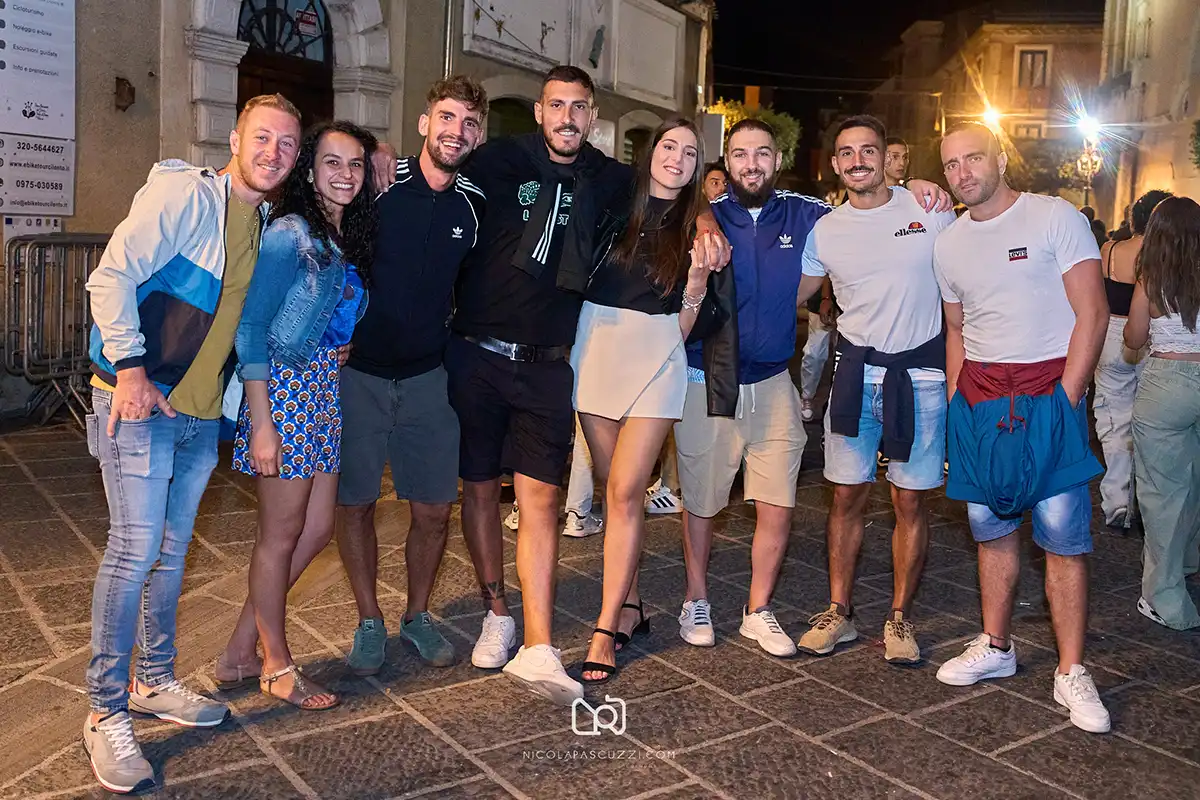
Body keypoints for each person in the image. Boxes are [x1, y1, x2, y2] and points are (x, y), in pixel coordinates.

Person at [443, 65, 726, 704]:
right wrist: (388, 163)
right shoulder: (518, 163)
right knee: (518, 489)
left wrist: (706, 218)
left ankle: (586, 633)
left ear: (593, 117)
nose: (568, 117)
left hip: (605, 359)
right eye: (557, 105)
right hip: (550, 351)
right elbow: (443, 169)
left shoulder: (621, 182)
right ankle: (554, 609)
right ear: (540, 111)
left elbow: (684, 188)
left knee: (611, 492)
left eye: (579, 107)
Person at [83, 94, 303, 794]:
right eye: (261, 137)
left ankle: (153, 680)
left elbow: (241, 325)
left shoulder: (261, 224)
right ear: (234, 139)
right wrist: (129, 368)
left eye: (286, 144)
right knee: (135, 550)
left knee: (172, 555)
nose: (272, 152)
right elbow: (110, 274)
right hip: (140, 398)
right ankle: (104, 710)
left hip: (200, 415)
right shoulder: (186, 196)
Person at [674, 118, 951, 655]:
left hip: (786, 377)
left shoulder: (813, 216)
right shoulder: (712, 217)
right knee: (704, 498)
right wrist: (703, 213)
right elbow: (682, 206)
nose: (752, 164)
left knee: (782, 499)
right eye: (739, 154)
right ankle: (697, 599)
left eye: (762, 153)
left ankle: (762, 609)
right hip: (710, 374)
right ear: (726, 163)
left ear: (779, 160)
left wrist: (918, 185)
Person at [933, 122, 1111, 735]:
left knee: (1062, 535)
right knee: (991, 529)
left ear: (1001, 158)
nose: (962, 173)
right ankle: (997, 645)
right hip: (980, 399)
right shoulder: (949, 243)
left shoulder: (1054, 216)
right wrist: (958, 407)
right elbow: (957, 330)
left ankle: (1071, 669)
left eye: (973, 158)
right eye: (951, 164)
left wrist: (1066, 399)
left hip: (1048, 391)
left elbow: (1094, 312)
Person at [324, 77, 488, 677]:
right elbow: (324, 189)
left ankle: (416, 614)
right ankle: (369, 619)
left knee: (434, 511)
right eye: (446, 117)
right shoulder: (378, 183)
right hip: (357, 374)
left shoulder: (475, 205)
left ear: (478, 136)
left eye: (469, 123)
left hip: (429, 377)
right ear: (425, 123)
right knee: (355, 504)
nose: (456, 131)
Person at [223, 119, 377, 710]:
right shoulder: (290, 233)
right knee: (280, 536)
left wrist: (341, 343)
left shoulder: (342, 237)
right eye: (332, 162)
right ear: (309, 170)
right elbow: (252, 328)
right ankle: (275, 665)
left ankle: (239, 650)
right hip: (283, 394)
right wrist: (262, 423)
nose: (345, 174)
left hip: (322, 393)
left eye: (355, 164)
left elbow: (327, 313)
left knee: (315, 531)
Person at [796, 115, 956, 665]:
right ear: (835, 164)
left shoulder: (929, 210)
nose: (858, 160)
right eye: (847, 152)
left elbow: (967, 275)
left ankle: (899, 616)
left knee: (910, 499)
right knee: (845, 495)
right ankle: (838, 611)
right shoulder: (825, 230)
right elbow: (791, 292)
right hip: (855, 375)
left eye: (869, 149)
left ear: (888, 156)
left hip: (922, 377)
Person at [573, 117, 722, 682]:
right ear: (650, 150)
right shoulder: (613, 202)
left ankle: (605, 626)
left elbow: (682, 328)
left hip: (659, 356)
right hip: (596, 349)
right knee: (614, 493)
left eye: (690, 152)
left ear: (697, 167)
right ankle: (631, 604)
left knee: (627, 490)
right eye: (668, 146)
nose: (676, 158)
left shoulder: (697, 233)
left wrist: (697, 284)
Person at [1124, 195, 1200, 631]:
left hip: (1165, 386)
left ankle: (1165, 597)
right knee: (1195, 482)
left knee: (1162, 493)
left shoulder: (1152, 279)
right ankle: (1188, 559)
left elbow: (1134, 338)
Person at [1092, 190, 1171, 530]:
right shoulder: (1166, 257)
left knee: (1113, 418)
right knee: (1151, 421)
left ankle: (1117, 502)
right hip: (1153, 337)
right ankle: (1148, 501)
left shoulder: (1109, 250)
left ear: (1134, 219)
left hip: (1112, 338)